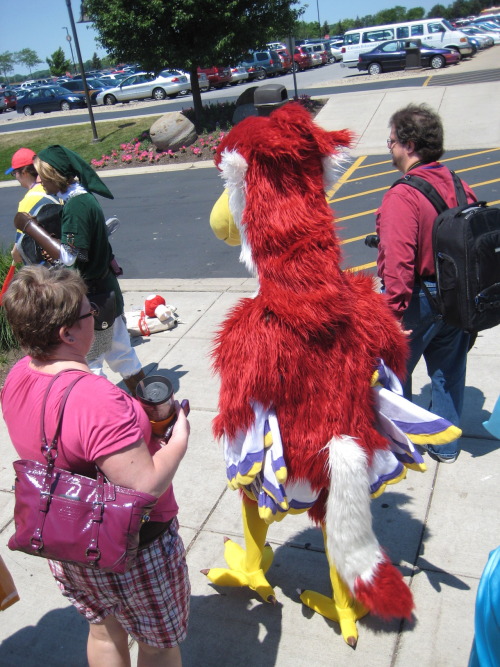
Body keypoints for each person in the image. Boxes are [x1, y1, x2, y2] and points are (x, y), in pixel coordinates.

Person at [1, 265, 190, 666]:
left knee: (104, 631)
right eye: (91, 315)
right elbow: (145, 485)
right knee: (157, 646)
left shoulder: (18, 375)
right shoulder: (99, 401)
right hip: (134, 548)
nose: (98, 319)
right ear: (67, 334)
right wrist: (180, 435)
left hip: (66, 539)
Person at [376, 103, 477, 464]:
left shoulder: (403, 195)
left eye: (391, 141)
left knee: (392, 378)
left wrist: (391, 315)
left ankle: (398, 449)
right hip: (458, 296)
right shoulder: (458, 182)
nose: (389, 147)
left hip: (418, 299)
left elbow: (399, 263)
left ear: (410, 144)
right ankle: (446, 446)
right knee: (448, 371)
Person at [14, 144, 145, 395]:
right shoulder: (81, 198)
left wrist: (31, 228)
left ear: (55, 175)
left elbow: (72, 256)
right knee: (122, 354)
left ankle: (104, 419)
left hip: (92, 300)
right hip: (103, 293)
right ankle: (155, 408)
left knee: (90, 364)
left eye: (42, 174)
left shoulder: (76, 206)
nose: (39, 180)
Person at [5, 147, 61, 264]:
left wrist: (15, 255)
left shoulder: (27, 202)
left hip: (47, 264)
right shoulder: (54, 187)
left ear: (24, 173)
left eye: (14, 173)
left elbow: (20, 246)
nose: (15, 177)